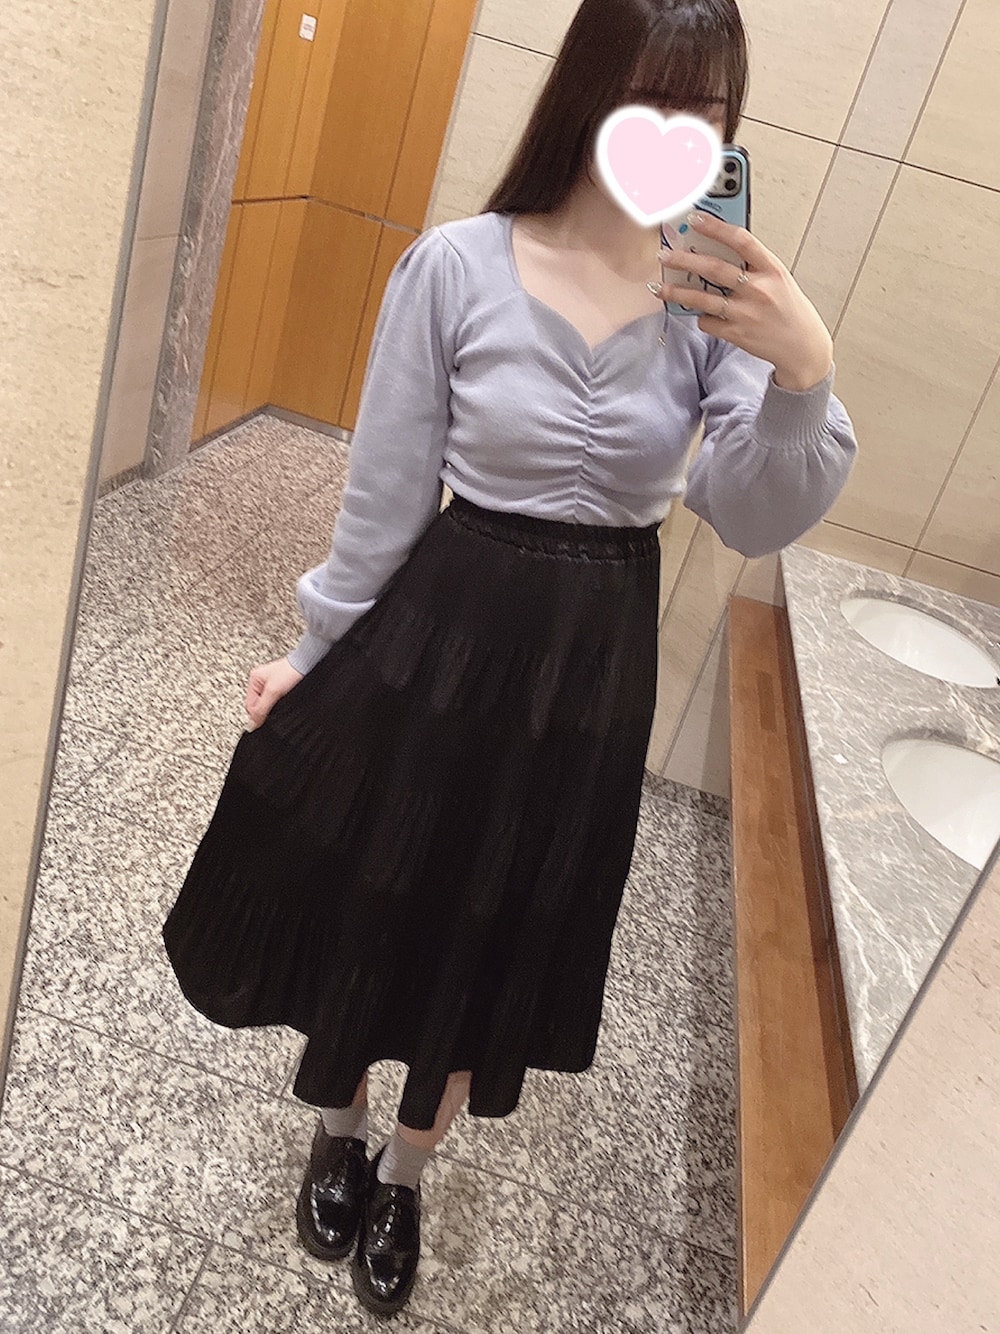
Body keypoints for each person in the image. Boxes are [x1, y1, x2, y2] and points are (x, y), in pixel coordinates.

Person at [161, 0, 858, 1317]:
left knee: (500, 919)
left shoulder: (707, 306)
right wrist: (313, 654)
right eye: (652, 94)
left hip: (588, 679)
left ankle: (407, 1170)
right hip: (439, 639)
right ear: (588, 88)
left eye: (706, 107)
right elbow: (382, 502)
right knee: (376, 882)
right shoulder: (457, 267)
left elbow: (752, 511)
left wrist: (803, 370)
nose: (679, 127)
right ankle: (337, 1125)